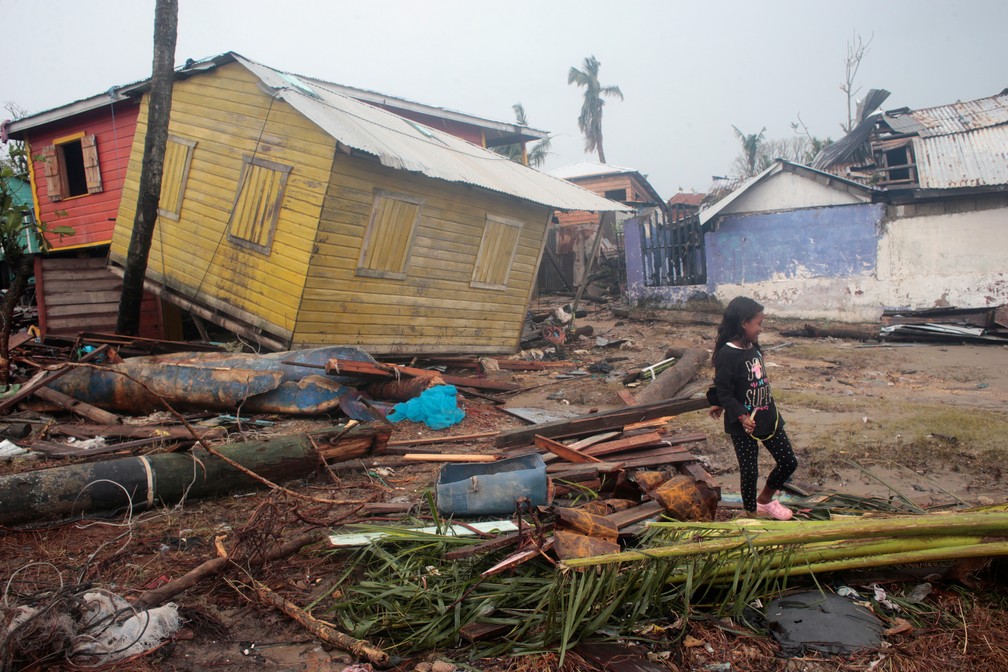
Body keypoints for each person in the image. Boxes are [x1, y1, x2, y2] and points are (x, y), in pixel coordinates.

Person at [708, 296, 798, 520]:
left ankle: (765, 500)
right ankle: (750, 513)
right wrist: (738, 414)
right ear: (743, 323)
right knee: (749, 471)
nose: (760, 329)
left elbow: (744, 381)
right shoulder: (727, 354)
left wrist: (721, 402)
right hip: (743, 423)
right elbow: (725, 389)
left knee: (788, 461)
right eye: (758, 324)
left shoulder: (752, 347)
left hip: (767, 414)